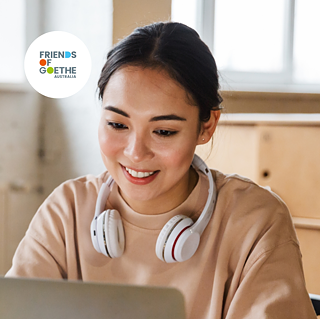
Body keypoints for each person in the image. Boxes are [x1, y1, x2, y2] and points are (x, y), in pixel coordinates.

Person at [6, 22, 316, 318]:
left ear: (206, 126)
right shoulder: (67, 211)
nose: (135, 152)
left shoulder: (255, 222)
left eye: (164, 131)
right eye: (117, 124)